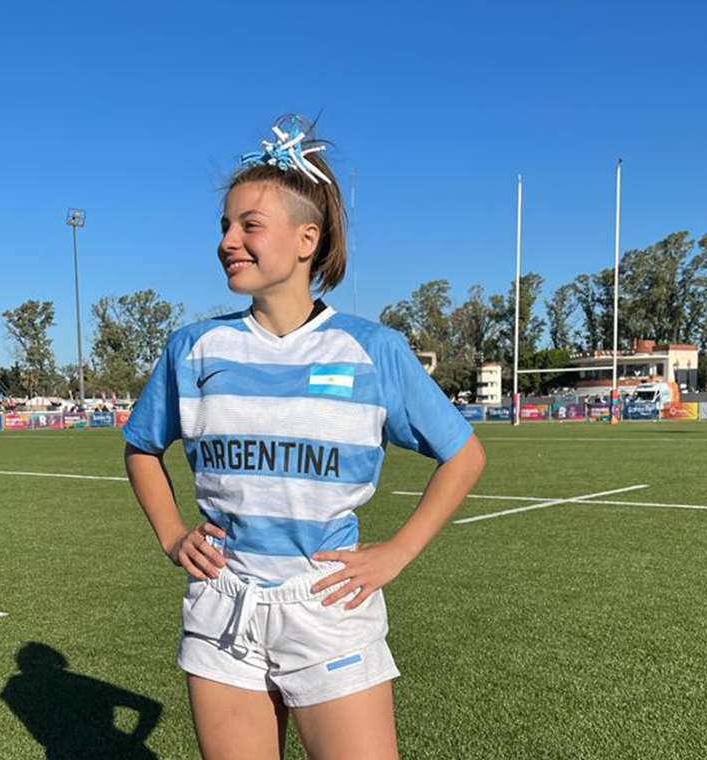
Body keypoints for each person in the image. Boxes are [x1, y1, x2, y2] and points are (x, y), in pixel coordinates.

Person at [122, 116, 486, 760]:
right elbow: (142, 448)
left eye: (249, 225)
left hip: (326, 607)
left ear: (306, 240)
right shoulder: (193, 348)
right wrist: (173, 535)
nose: (227, 241)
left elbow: (464, 454)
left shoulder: (371, 350)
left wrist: (397, 552)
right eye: (224, 226)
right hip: (222, 607)